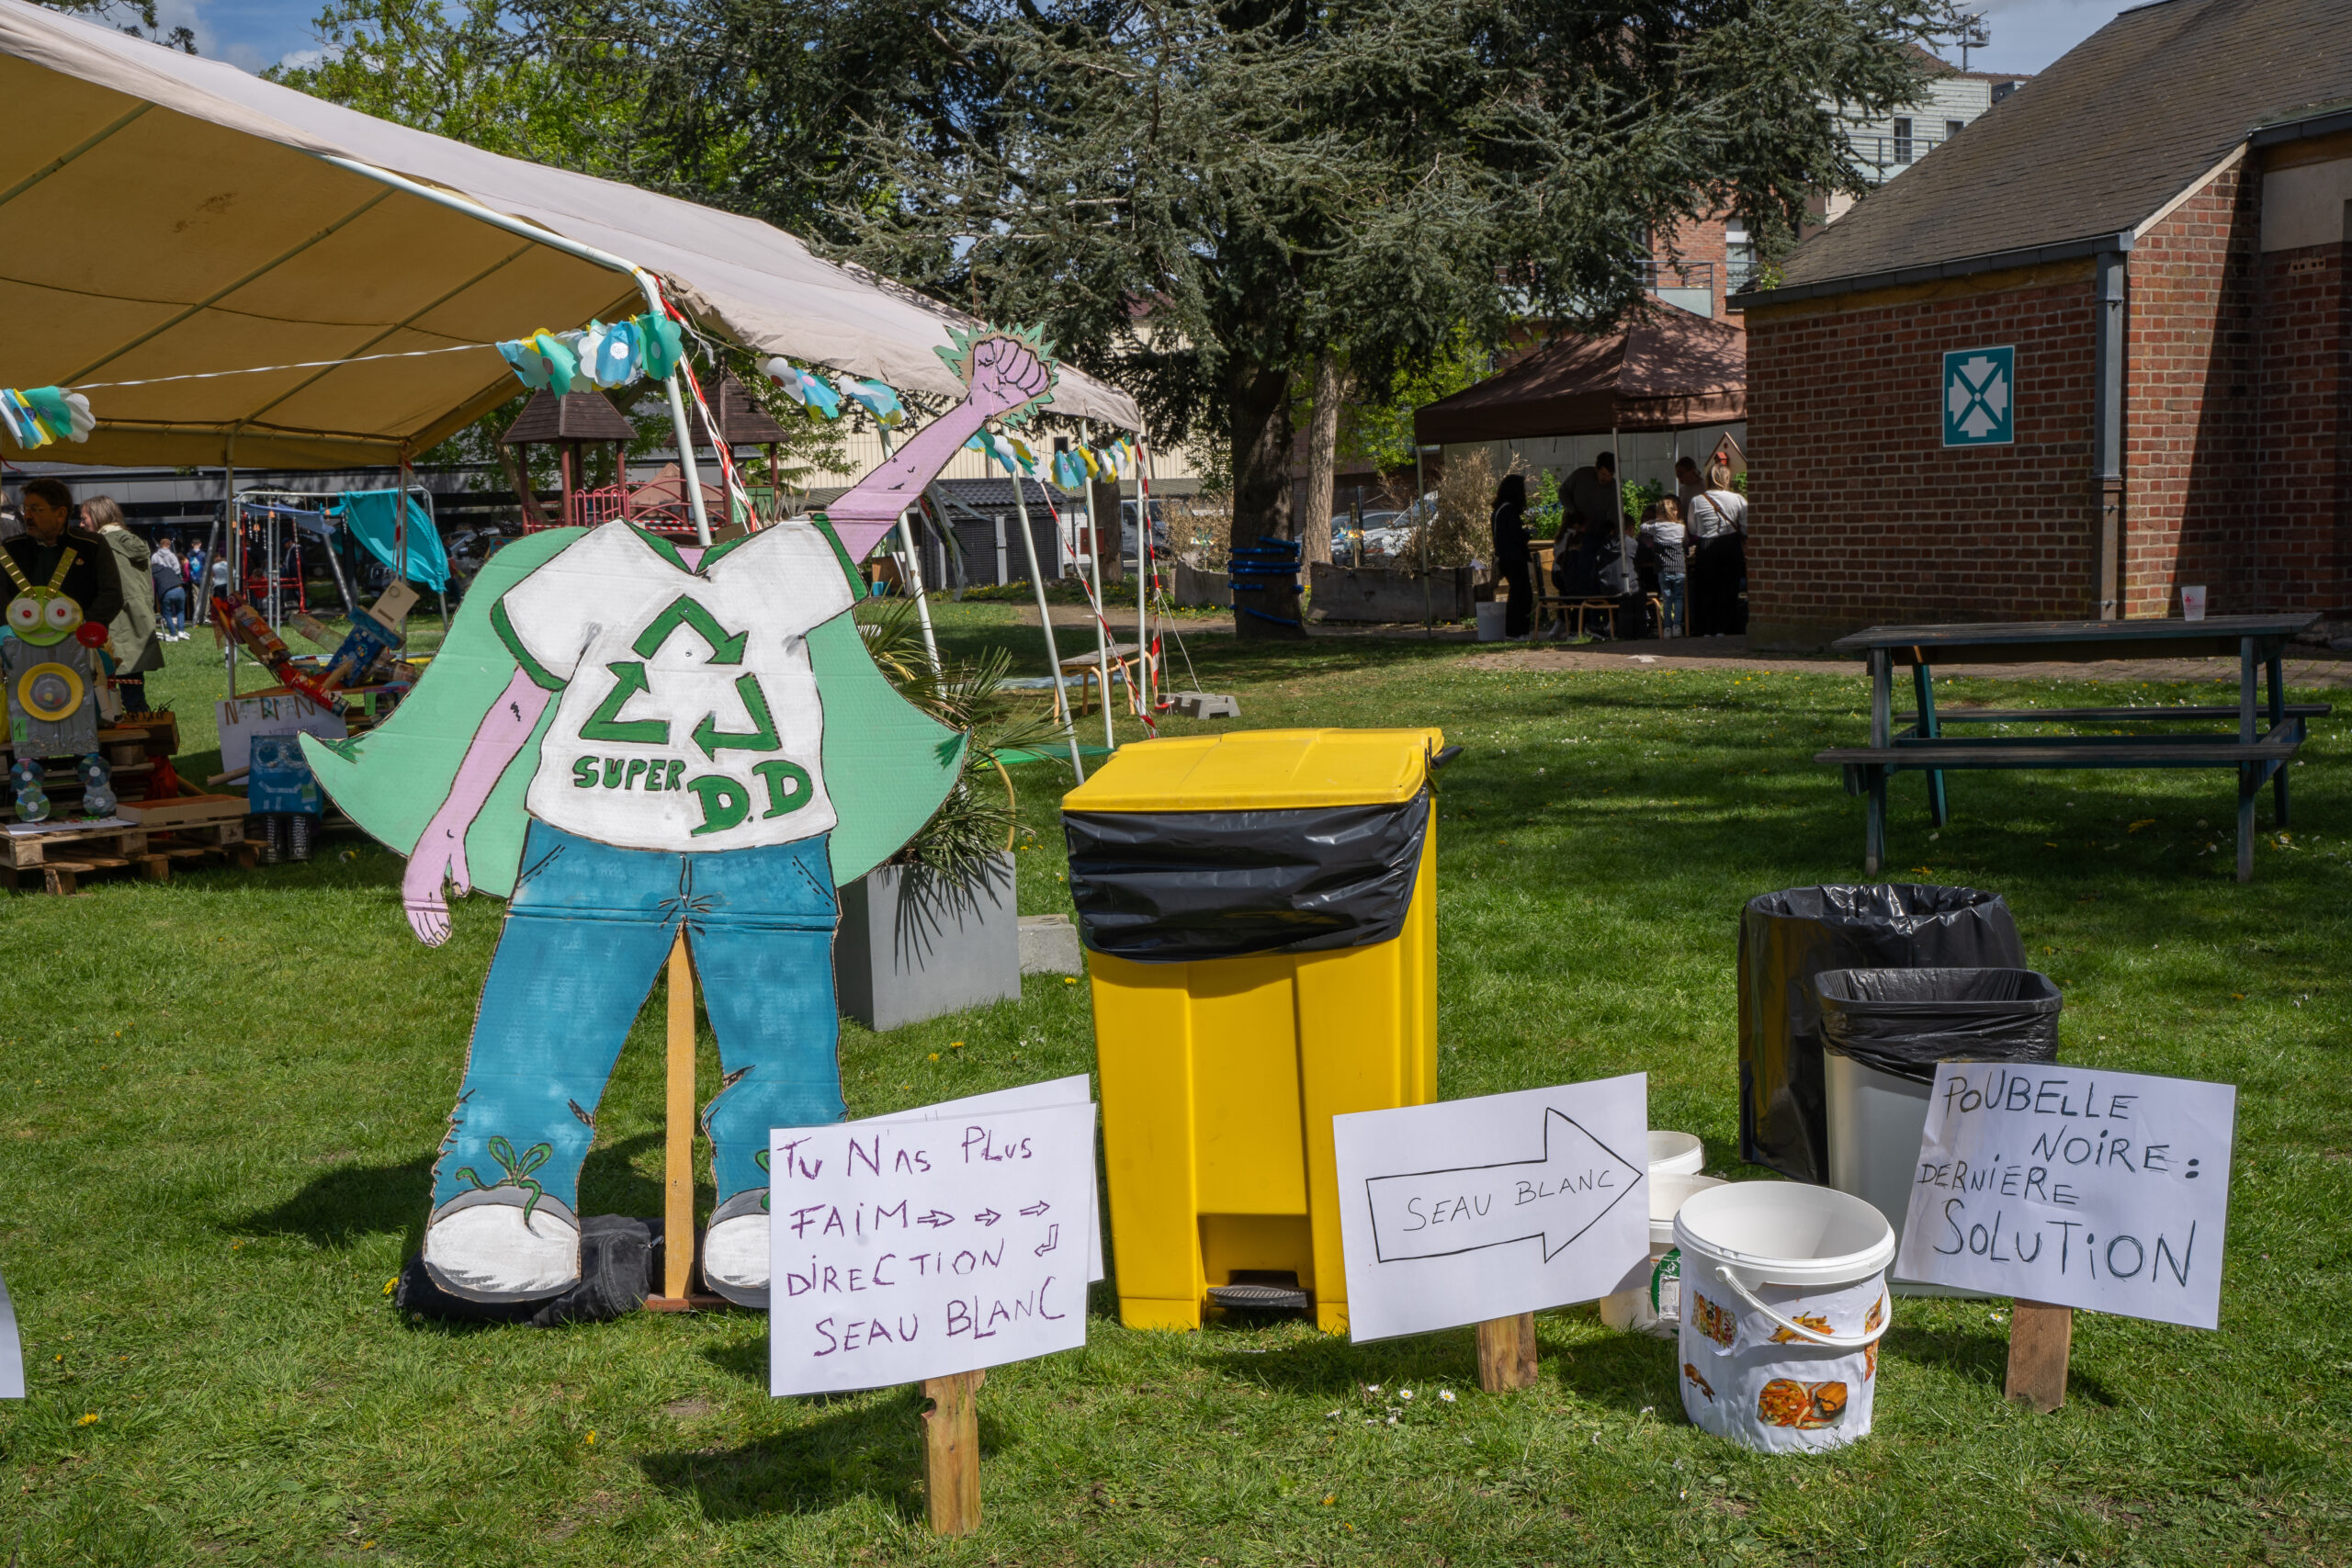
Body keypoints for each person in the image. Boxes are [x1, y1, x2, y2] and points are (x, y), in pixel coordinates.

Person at [5, 479, 122, 640]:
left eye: (35, 509)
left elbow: (111, 595)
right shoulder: (11, 548)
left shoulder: (91, 545)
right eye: (25, 509)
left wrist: (82, 627)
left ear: (61, 513)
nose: (27, 516)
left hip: (79, 644)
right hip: (19, 643)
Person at [85, 497, 163, 712]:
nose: (81, 524)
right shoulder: (128, 541)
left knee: (108, 699)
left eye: (84, 518)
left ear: (98, 515)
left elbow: (110, 591)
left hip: (116, 626)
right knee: (133, 695)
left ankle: (131, 741)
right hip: (133, 626)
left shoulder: (105, 545)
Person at [1687, 460, 1748, 637]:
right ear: (1727, 479)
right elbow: (1746, 527)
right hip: (1730, 544)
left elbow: (1693, 529)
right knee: (1729, 588)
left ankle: (1706, 629)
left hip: (1706, 546)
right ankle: (1725, 628)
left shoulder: (1697, 501)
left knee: (1706, 588)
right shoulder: (1738, 499)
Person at [1489, 473, 1533, 638]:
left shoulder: (1498, 511)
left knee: (1517, 593)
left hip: (1505, 557)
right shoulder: (1509, 511)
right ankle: (1517, 630)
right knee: (1521, 594)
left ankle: (1515, 631)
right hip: (1514, 558)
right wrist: (1526, 534)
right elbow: (1515, 535)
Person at [1640, 496, 1689, 637]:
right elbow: (1685, 542)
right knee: (1678, 598)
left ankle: (1667, 628)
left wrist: (1656, 520)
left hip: (1663, 568)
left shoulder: (1656, 527)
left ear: (1659, 513)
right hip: (1679, 567)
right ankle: (1677, 626)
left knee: (1667, 599)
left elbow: (1642, 527)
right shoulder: (1681, 527)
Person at [152, 536, 188, 639]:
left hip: (163, 587)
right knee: (180, 610)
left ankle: (173, 634)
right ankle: (181, 631)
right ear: (169, 545)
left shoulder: (154, 557)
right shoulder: (172, 555)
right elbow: (177, 568)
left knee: (166, 612)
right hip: (177, 584)